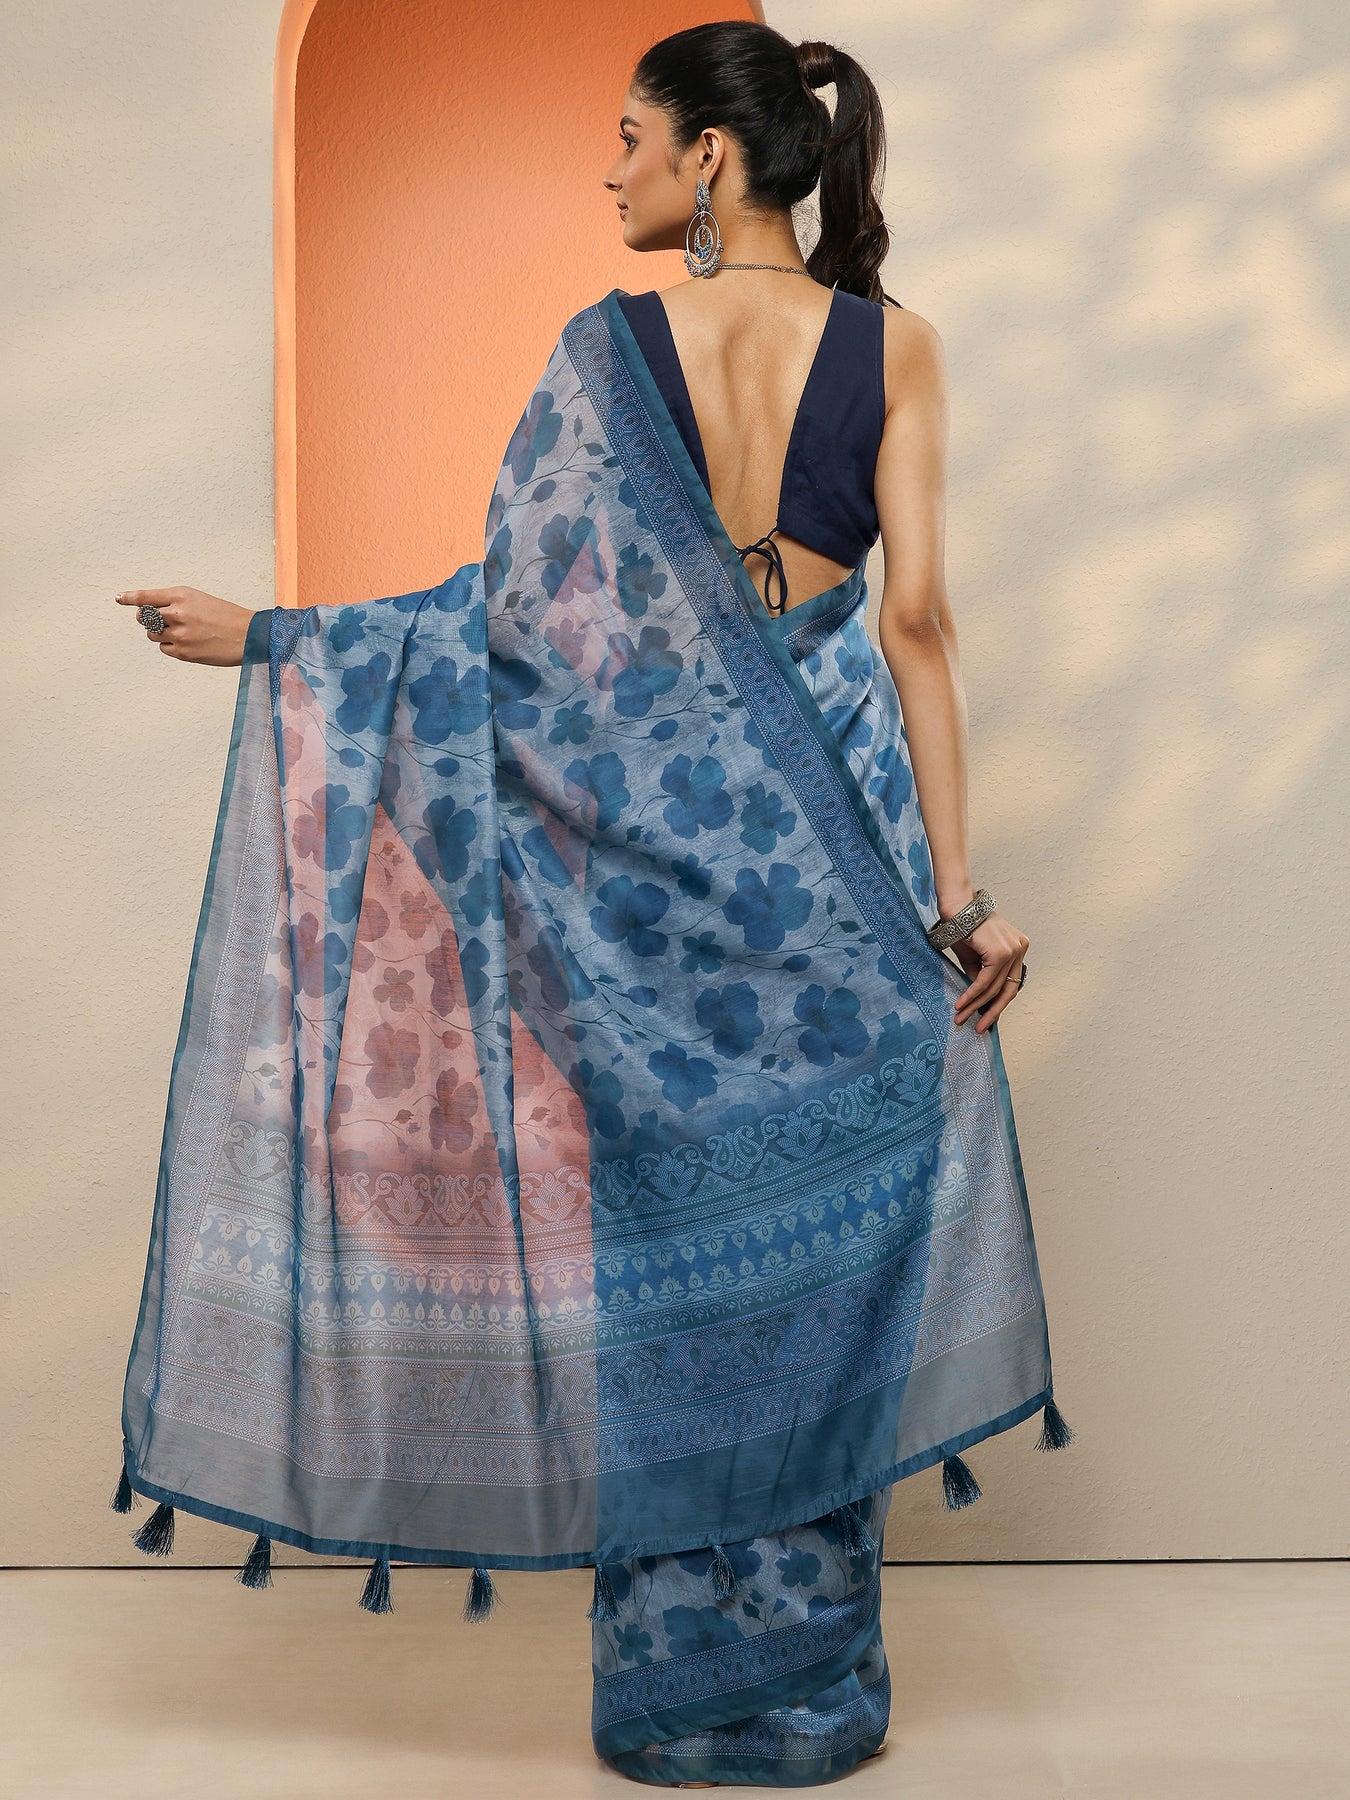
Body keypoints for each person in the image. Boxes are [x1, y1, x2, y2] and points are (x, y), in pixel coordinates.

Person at [112, 21, 1069, 1788]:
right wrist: (961, 899)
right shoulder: (897, 345)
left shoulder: (605, 353)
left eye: (628, 134)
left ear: (710, 156)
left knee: (657, 1250)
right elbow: (919, 625)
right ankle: (814, 1687)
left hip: (639, 887)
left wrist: (277, 640)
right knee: (821, 1254)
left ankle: (681, 1688)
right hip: (841, 858)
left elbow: (514, 642)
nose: (607, 167)